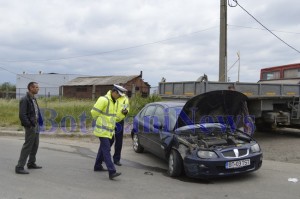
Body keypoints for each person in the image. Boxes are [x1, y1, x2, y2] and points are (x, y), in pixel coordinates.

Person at [91, 84, 126, 180]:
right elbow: (93, 112)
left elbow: (112, 116)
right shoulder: (104, 100)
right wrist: (99, 120)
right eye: (118, 95)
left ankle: (97, 166)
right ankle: (112, 171)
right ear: (114, 92)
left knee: (103, 148)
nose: (119, 97)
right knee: (106, 150)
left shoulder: (114, 102)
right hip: (102, 130)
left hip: (109, 131)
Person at [15, 82, 43, 174]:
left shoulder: (33, 99)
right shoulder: (25, 99)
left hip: (36, 125)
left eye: (38, 87)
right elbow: (22, 115)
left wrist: (40, 122)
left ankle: (31, 163)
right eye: (36, 87)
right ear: (31, 88)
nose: (38, 89)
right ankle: (19, 167)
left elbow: (35, 112)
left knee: (35, 145)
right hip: (31, 126)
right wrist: (29, 125)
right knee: (27, 146)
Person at [111, 85, 129, 166]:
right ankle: (104, 157)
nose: (120, 95)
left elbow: (127, 108)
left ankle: (116, 159)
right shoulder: (110, 97)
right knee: (108, 140)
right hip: (109, 121)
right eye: (119, 93)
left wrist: (125, 111)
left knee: (119, 141)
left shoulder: (125, 99)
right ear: (115, 92)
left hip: (119, 122)